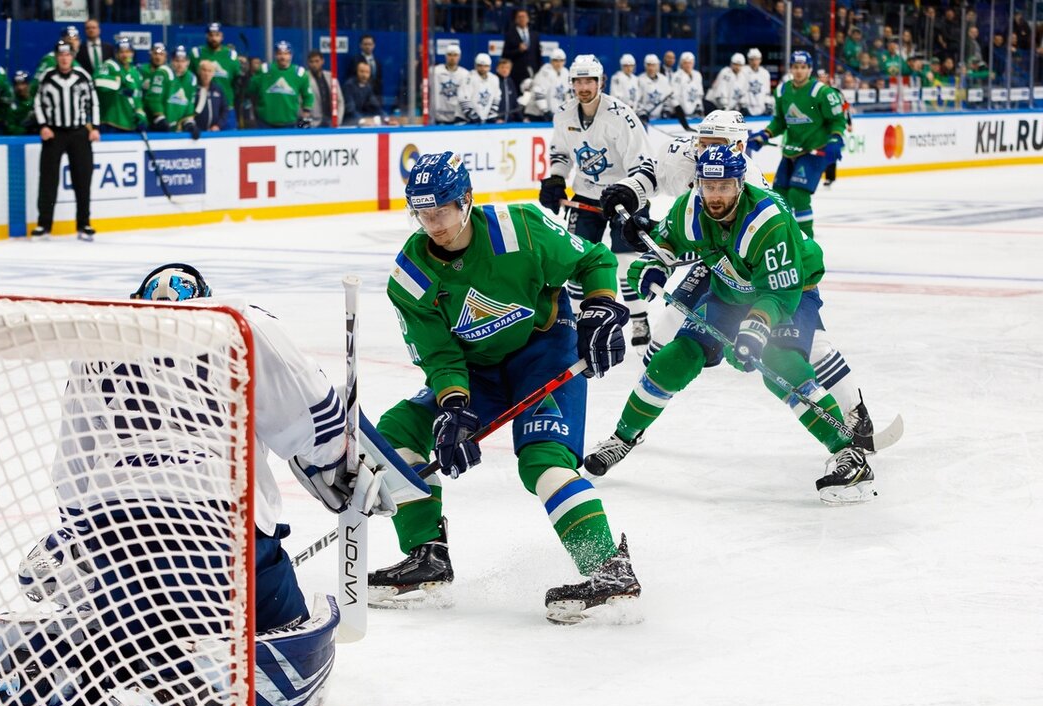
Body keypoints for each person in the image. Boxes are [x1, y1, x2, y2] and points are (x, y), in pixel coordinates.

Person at [0, 265, 419, 706]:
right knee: (290, 624)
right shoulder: (241, 323)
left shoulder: (101, 341)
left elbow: (72, 469)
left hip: (113, 535)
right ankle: (198, 680)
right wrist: (341, 471)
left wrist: (80, 536)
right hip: (218, 527)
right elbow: (314, 419)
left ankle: (74, 654)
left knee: (132, 612)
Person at [369, 151, 642, 625]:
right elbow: (440, 355)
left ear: (467, 201)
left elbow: (593, 258)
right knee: (396, 431)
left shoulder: (521, 227)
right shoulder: (410, 277)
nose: (433, 224)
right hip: (477, 373)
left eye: (443, 211)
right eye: (423, 213)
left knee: (542, 459)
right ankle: (427, 555)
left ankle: (608, 568)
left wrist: (600, 305)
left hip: (545, 353)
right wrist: (454, 408)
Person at [587, 110, 880, 475]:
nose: (715, 196)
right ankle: (623, 437)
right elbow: (666, 244)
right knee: (678, 355)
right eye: (708, 187)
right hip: (730, 289)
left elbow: (780, 294)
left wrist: (756, 327)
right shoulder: (690, 207)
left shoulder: (766, 221)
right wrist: (650, 266)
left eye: (724, 186)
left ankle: (847, 451)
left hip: (790, 288)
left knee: (781, 363)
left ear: (740, 184)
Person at [540, 55, 653, 353]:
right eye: (578, 81)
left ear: (601, 81)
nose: (584, 87)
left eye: (590, 80)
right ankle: (580, 321)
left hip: (624, 196)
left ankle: (640, 318)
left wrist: (630, 197)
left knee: (627, 262)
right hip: (587, 195)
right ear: (572, 83)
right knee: (576, 261)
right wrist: (555, 179)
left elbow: (641, 163)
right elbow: (561, 154)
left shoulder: (621, 116)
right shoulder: (564, 114)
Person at [746, 51, 845, 238]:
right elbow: (780, 121)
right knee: (778, 197)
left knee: (798, 195)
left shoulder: (822, 93)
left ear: (810, 70)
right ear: (791, 68)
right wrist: (765, 135)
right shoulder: (782, 91)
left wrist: (835, 139)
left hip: (815, 151)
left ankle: (806, 240)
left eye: (803, 67)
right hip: (791, 151)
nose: (799, 71)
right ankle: (784, 237)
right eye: (795, 67)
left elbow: (838, 121)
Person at [33, 41, 99, 240]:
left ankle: (84, 224)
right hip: (55, 133)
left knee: (83, 180)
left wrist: (94, 127)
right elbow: (37, 102)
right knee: (48, 180)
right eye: (61, 55)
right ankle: (44, 225)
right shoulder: (47, 77)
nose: (64, 58)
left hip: (79, 133)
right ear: (56, 57)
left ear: (72, 57)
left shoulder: (82, 77)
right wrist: (43, 125)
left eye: (68, 55)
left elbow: (93, 102)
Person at [246, 41, 312, 129]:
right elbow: (251, 89)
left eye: (286, 53)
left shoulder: (299, 73)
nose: (283, 57)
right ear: (275, 55)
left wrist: (306, 114)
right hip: (264, 122)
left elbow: (308, 96)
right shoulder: (265, 70)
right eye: (279, 53)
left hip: (290, 123)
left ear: (291, 55)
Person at [190, 22, 241, 130]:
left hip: (227, 109)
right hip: (202, 108)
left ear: (222, 36)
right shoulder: (196, 53)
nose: (214, 38)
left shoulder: (231, 55)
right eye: (211, 35)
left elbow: (237, 82)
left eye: (217, 35)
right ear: (206, 36)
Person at [95, 38, 146, 135]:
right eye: (121, 52)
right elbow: (99, 83)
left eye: (128, 52)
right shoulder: (109, 65)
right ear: (116, 54)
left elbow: (138, 97)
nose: (125, 55)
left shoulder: (136, 72)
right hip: (111, 123)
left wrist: (141, 115)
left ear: (132, 53)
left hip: (131, 123)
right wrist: (118, 81)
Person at [146, 46, 198, 137]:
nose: (180, 64)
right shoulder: (163, 72)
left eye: (183, 61)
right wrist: (160, 118)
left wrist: (189, 123)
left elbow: (189, 104)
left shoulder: (192, 79)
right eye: (177, 61)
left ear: (188, 62)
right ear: (171, 61)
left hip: (177, 129)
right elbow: (154, 98)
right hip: (157, 126)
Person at [524, 48, 568, 122]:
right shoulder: (545, 72)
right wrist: (545, 110)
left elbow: (566, 93)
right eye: (556, 60)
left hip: (554, 114)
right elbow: (538, 92)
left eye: (561, 60)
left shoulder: (565, 72)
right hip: (537, 114)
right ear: (551, 61)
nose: (559, 63)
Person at [431, 43, 469, 125]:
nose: (452, 58)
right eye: (450, 55)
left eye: (455, 55)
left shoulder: (465, 74)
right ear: (445, 56)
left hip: (458, 117)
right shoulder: (435, 71)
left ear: (459, 56)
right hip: (439, 117)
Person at [503, 8, 541, 88]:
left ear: (528, 19)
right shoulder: (510, 35)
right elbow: (505, 54)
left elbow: (538, 54)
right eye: (519, 17)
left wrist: (539, 70)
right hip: (516, 74)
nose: (522, 19)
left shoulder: (534, 35)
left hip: (533, 72)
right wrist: (518, 50)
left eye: (524, 16)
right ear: (516, 19)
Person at [458, 52, 500, 124]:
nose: (483, 68)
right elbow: (463, 98)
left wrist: (492, 113)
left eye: (486, 66)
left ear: (490, 67)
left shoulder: (494, 79)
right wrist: (472, 114)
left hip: (484, 120)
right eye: (480, 66)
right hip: (466, 120)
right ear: (476, 66)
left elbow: (497, 97)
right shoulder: (468, 78)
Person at [306, 49, 341, 128]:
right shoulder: (304, 78)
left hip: (331, 121)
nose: (314, 64)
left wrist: (337, 120)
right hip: (312, 122)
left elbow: (340, 100)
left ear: (322, 61)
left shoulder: (331, 77)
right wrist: (307, 122)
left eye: (317, 61)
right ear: (308, 63)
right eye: (311, 62)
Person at [341, 60, 382, 126]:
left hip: (363, 119)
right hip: (349, 121)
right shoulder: (349, 86)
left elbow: (375, 106)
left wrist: (386, 118)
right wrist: (363, 120)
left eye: (367, 72)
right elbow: (350, 109)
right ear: (356, 72)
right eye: (362, 71)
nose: (364, 75)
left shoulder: (368, 86)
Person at [191, 58, 226, 133]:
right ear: (199, 71)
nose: (206, 74)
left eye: (210, 71)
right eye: (204, 70)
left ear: (213, 73)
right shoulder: (193, 88)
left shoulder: (218, 90)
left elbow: (224, 110)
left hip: (214, 133)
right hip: (197, 132)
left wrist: (218, 125)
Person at [670, 51, 704, 120]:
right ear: (681, 63)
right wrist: (678, 109)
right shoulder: (676, 76)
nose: (688, 65)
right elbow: (674, 96)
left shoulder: (697, 75)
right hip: (681, 113)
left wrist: (699, 106)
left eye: (690, 63)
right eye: (685, 63)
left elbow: (699, 94)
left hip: (695, 112)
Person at [636, 53, 670, 121]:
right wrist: (642, 113)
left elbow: (668, 98)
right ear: (645, 66)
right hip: (644, 119)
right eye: (649, 65)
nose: (651, 68)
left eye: (653, 65)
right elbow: (637, 101)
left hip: (660, 119)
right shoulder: (639, 80)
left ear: (657, 66)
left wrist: (666, 110)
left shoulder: (664, 79)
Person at [4, 71, 38, 136]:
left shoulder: (36, 100)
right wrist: (25, 130)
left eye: (23, 84)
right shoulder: (11, 106)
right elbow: (10, 127)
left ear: (29, 84)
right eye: (17, 84)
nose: (20, 88)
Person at [740, 48, 773, 116]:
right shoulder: (742, 71)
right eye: (752, 59)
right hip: (746, 109)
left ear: (760, 60)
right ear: (748, 60)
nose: (754, 62)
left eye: (757, 59)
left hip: (762, 108)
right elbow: (740, 90)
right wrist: (742, 105)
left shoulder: (765, 73)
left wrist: (768, 104)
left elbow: (767, 92)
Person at [348, 34, 382, 100]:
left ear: (374, 45)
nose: (368, 47)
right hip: (361, 95)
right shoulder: (356, 60)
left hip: (375, 95)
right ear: (360, 45)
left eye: (370, 44)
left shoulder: (377, 61)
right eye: (365, 44)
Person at [492, 56, 522, 123]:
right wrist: (494, 119)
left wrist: (522, 119)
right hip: (495, 123)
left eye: (507, 68)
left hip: (509, 123)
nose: (505, 70)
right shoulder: (493, 81)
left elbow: (515, 102)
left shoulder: (510, 82)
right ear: (497, 68)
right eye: (502, 67)